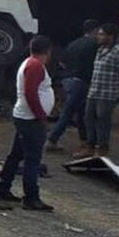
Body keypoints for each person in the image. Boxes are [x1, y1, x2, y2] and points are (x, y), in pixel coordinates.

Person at [0, 35, 55, 212]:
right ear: (48, 51)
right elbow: (31, 93)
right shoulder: (35, 65)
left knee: (16, 154)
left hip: (25, 116)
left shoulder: (29, 63)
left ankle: (3, 187)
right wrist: (41, 116)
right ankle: (31, 197)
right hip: (31, 119)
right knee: (32, 159)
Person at [76, 23, 119, 158]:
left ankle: (102, 149)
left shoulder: (118, 51)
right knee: (88, 118)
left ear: (110, 36)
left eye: (101, 34)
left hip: (107, 94)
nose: (98, 37)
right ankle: (90, 146)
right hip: (94, 91)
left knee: (103, 121)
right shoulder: (100, 49)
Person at [46, 19, 99, 153]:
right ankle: (52, 139)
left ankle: (84, 140)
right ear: (95, 30)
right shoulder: (95, 45)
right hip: (81, 81)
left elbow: (62, 63)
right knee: (69, 112)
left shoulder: (73, 44)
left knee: (80, 111)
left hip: (67, 80)